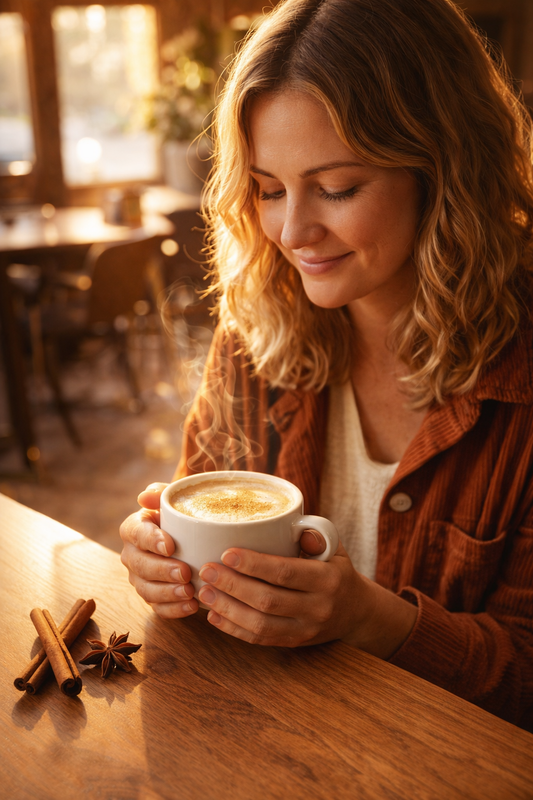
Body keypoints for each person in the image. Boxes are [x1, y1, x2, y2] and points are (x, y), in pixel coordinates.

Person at [120, 0, 533, 730]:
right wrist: (163, 568)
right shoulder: (255, 335)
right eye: (268, 189)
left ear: (445, 172)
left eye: (337, 188)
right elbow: (198, 561)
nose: (289, 231)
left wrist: (374, 621)